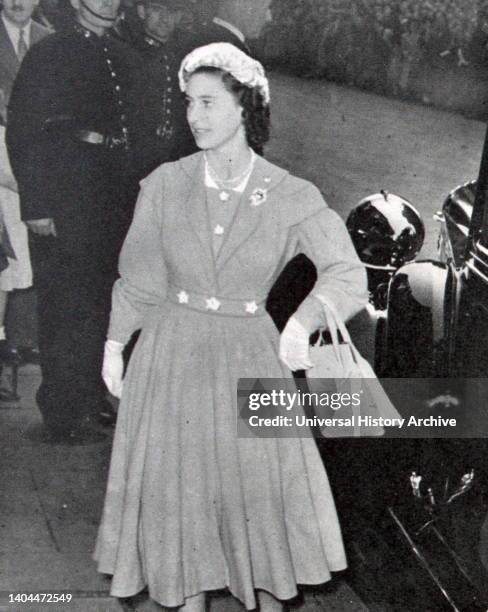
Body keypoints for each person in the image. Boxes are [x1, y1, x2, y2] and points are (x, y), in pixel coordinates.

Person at [95, 42, 368, 611]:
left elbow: (346, 273)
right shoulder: (165, 183)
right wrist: (115, 343)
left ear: (246, 106)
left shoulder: (293, 194)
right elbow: (141, 278)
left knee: (261, 511)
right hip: (171, 358)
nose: (195, 116)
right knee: (182, 515)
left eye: (209, 102)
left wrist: (302, 322)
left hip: (250, 359)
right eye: (189, 102)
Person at [6, 0, 143, 440]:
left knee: (102, 300)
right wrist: (37, 205)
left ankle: (90, 396)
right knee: (64, 304)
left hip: (111, 192)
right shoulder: (51, 51)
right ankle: (61, 408)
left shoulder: (123, 53)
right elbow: (24, 129)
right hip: (64, 193)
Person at [0, 0, 50, 368]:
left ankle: (22, 339)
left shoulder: (52, 40)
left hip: (35, 156)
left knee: (27, 245)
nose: (18, 2)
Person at [134, 0, 197, 176]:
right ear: (141, 11)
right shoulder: (128, 56)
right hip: (135, 162)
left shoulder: (186, 60)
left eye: (173, 12)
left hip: (173, 160)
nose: (165, 18)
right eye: (157, 10)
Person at [194, 0, 272, 54]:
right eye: (265, 8)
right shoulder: (230, 53)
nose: (269, 18)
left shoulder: (206, 41)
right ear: (241, 5)